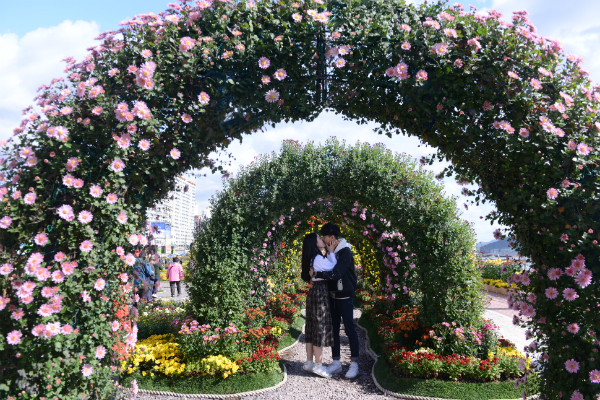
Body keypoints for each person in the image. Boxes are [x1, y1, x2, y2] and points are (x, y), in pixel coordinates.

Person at [312, 222, 359, 378]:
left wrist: (317, 275)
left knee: (350, 329)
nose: (323, 240)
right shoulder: (330, 252)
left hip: (345, 297)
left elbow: (336, 274)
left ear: (332, 237)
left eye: (324, 237)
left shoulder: (345, 252)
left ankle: (354, 363)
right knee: (334, 330)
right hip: (333, 297)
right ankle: (336, 362)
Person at [301, 232, 338, 379]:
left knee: (311, 327)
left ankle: (309, 362)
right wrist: (331, 252)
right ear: (314, 243)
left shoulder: (312, 258)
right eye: (318, 238)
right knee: (319, 329)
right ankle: (318, 366)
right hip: (319, 293)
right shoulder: (317, 258)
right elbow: (334, 269)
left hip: (313, 294)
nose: (321, 239)